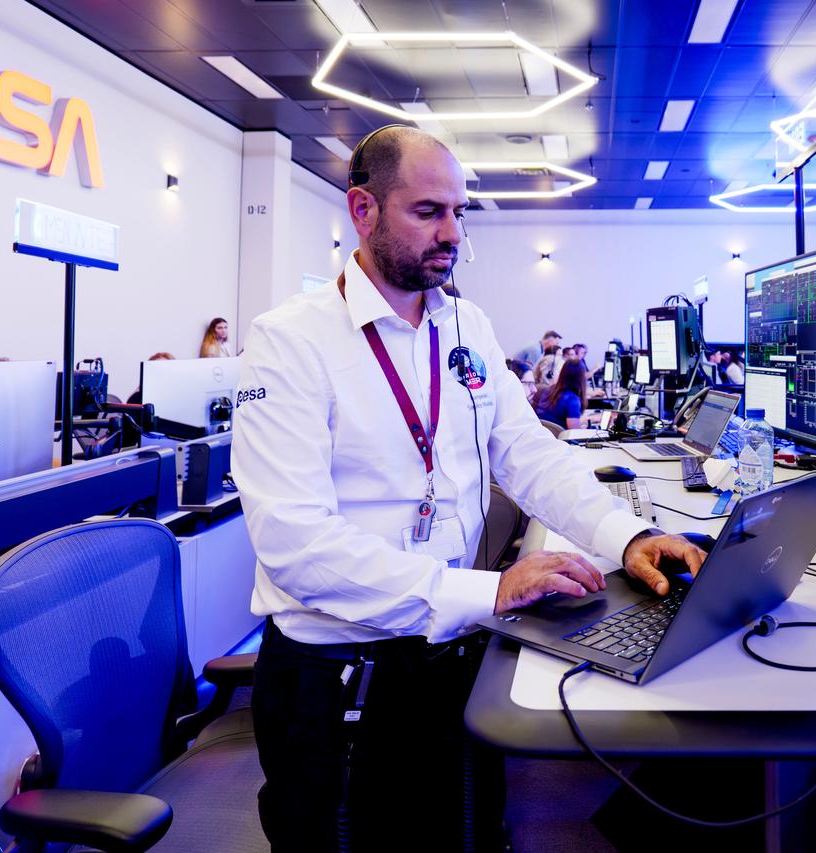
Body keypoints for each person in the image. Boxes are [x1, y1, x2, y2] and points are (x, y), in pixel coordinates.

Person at [230, 124, 706, 852]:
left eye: (459, 212)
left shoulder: (464, 325)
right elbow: (296, 545)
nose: (452, 232)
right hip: (339, 677)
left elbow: (529, 455)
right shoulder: (288, 342)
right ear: (363, 209)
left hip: (449, 650)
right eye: (428, 211)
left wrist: (628, 536)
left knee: (464, 834)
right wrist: (492, 590)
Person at [534, 358, 588, 429]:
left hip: (544, 432)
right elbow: (574, 431)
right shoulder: (572, 399)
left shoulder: (549, 390)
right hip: (560, 435)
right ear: (582, 377)